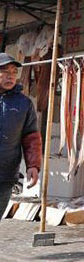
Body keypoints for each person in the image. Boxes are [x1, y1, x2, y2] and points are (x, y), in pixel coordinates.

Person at [0, 53, 42, 218]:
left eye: (14, 72)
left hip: (6, 174)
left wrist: (33, 165)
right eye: (5, 71)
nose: (11, 76)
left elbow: (31, 137)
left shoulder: (23, 103)